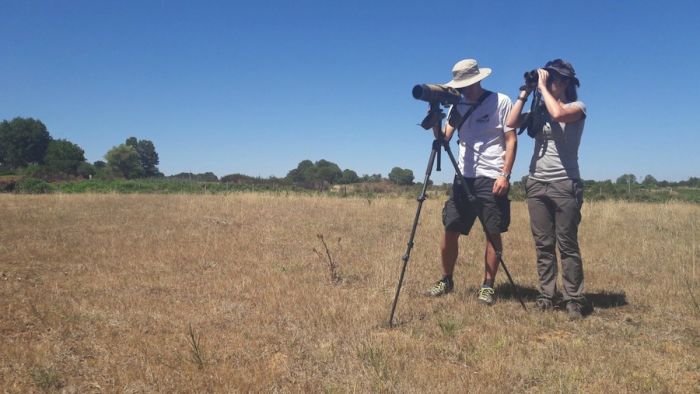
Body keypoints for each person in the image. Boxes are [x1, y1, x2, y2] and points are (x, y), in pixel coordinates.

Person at [426, 58, 517, 306]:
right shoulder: (458, 105)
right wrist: (435, 117)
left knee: (492, 231)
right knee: (450, 228)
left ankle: (488, 285)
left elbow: (510, 140)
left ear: (478, 80)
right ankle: (446, 279)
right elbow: (444, 140)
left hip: (492, 176)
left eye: (465, 84)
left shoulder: (501, 101)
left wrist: (505, 175)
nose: (463, 88)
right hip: (463, 176)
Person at [505, 59, 590, 319]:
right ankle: (546, 294)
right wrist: (525, 92)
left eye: (552, 78)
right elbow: (511, 122)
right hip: (537, 183)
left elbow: (559, 115)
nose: (548, 82)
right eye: (547, 77)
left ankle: (574, 298)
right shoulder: (540, 110)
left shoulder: (577, 107)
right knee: (543, 244)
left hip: (565, 183)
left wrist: (542, 88)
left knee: (566, 244)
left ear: (564, 82)